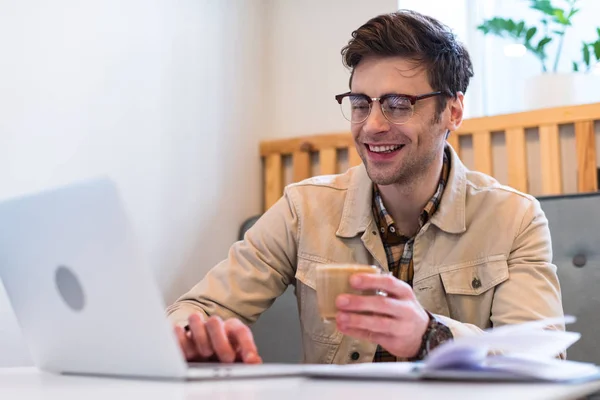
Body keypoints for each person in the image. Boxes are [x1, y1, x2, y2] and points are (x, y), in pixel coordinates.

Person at [166, 9, 564, 365]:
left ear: (453, 112)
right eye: (360, 103)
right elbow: (196, 309)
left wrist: (430, 336)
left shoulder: (515, 218)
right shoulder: (302, 209)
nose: (372, 125)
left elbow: (541, 356)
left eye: (397, 103)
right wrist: (195, 336)